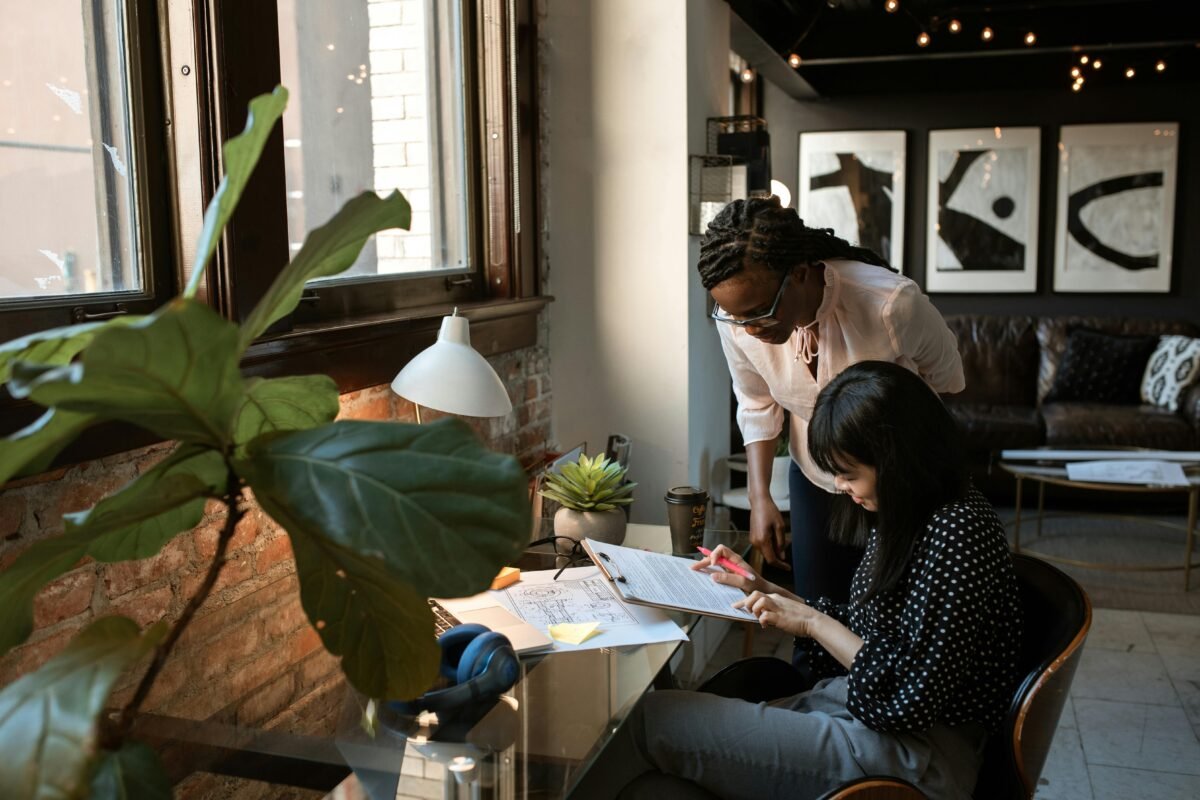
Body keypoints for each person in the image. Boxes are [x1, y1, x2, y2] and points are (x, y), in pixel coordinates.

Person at [614, 361, 1022, 800]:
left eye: (850, 473)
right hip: (868, 715)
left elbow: (909, 695)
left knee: (652, 721)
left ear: (897, 458)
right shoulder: (916, 511)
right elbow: (877, 635)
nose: (842, 487)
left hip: (917, 754)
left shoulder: (957, 531)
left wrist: (810, 622)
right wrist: (765, 589)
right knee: (657, 777)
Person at [700, 196, 964, 603]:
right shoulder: (738, 319)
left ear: (801, 273)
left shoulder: (891, 305)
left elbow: (948, 379)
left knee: (891, 617)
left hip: (899, 483)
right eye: (737, 317)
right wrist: (759, 497)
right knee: (817, 609)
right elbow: (755, 402)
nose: (750, 330)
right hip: (814, 479)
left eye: (760, 313)